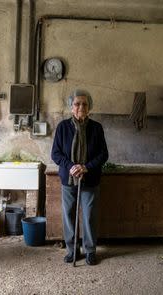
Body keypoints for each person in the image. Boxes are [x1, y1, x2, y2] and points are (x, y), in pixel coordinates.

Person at [51, 89, 109, 265]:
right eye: (77, 104)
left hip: (90, 179)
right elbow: (56, 153)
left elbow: (103, 154)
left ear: (89, 107)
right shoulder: (62, 127)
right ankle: (72, 250)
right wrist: (71, 167)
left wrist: (86, 167)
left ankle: (90, 250)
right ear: (71, 108)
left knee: (89, 215)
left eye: (84, 104)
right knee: (69, 215)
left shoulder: (96, 128)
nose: (81, 107)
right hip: (69, 180)